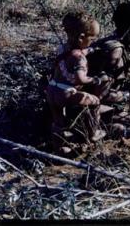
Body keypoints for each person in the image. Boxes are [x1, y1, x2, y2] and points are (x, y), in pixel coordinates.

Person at [45, 10, 110, 155]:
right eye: (92, 39)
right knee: (95, 102)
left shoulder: (63, 48)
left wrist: (91, 49)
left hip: (52, 90)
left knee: (58, 120)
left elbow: (76, 52)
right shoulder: (80, 58)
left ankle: (59, 148)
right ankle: (93, 132)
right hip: (66, 93)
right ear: (82, 37)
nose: (92, 41)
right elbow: (80, 78)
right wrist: (96, 80)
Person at [87, 2, 130, 137]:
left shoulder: (111, 43)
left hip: (92, 105)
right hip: (90, 107)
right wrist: (129, 96)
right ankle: (97, 131)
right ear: (129, 27)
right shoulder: (115, 51)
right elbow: (100, 95)